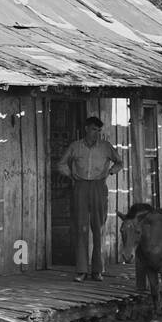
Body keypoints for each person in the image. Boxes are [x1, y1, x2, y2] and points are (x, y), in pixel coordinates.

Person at [57, 116, 123, 281]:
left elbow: (119, 162)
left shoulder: (106, 147)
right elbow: (61, 164)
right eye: (94, 129)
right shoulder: (76, 146)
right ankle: (81, 270)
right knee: (81, 228)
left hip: (99, 187)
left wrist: (111, 172)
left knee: (98, 228)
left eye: (99, 130)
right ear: (86, 129)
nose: (97, 133)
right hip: (81, 187)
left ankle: (97, 270)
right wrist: (71, 175)